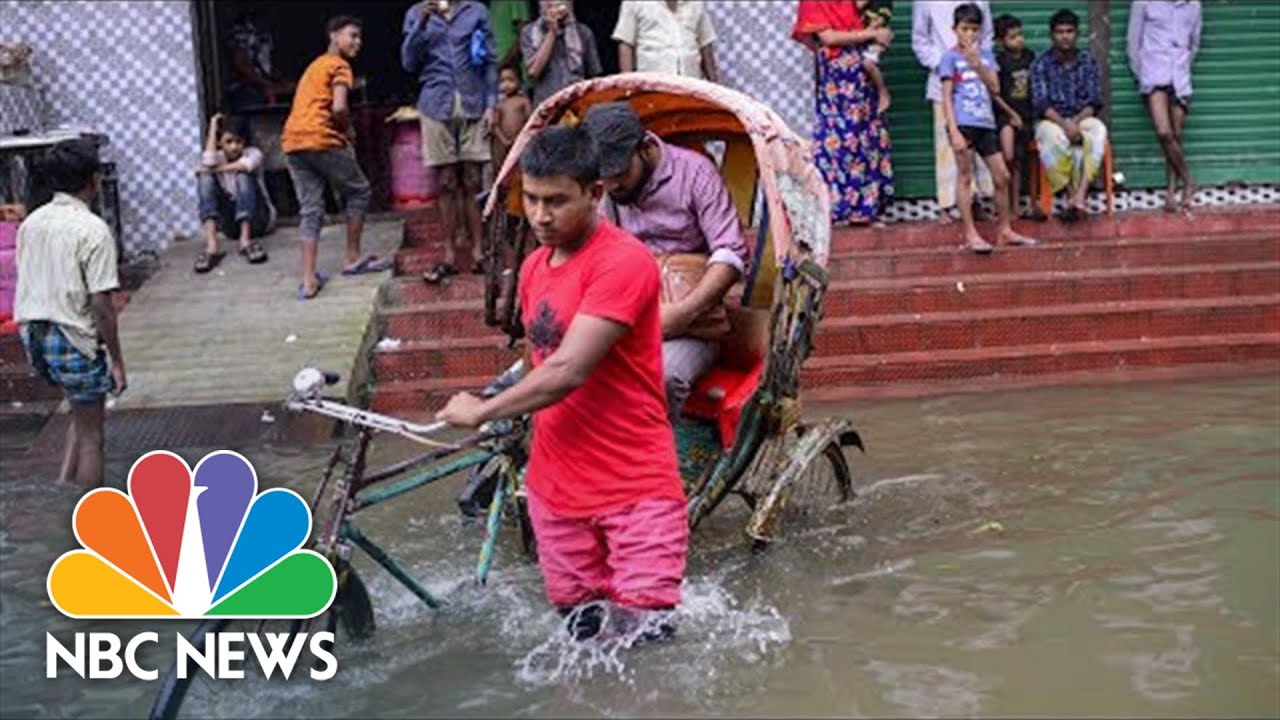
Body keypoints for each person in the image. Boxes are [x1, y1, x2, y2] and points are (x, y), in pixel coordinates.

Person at [436, 125, 687, 643]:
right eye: (530, 198)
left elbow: (568, 369)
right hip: (556, 491)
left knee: (648, 649)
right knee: (581, 638)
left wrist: (484, 412)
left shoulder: (625, 262)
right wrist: (498, 400)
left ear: (596, 193)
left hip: (634, 487)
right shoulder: (532, 268)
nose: (541, 216)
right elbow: (539, 359)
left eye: (556, 201)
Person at [581, 102, 748, 420]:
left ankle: (653, 466)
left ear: (644, 147)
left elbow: (731, 252)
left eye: (620, 173)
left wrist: (681, 314)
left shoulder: (695, 172)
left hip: (693, 323)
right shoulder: (604, 190)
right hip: (625, 317)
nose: (613, 185)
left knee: (663, 376)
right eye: (605, 176)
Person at [14, 139, 126, 489]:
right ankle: (89, 517)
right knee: (94, 436)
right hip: (71, 335)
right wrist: (118, 361)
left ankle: (64, 488)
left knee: (80, 415)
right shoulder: (92, 229)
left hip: (33, 334)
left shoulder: (32, 223)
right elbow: (101, 306)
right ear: (93, 180)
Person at [282, 15, 382, 300]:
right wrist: (348, 130)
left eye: (359, 37)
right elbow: (338, 107)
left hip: (293, 142)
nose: (357, 42)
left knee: (310, 209)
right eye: (352, 35)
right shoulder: (339, 66)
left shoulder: (314, 66)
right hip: (320, 138)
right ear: (333, 36)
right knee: (360, 191)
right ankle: (352, 258)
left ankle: (309, 279)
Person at [402, 0, 499, 283]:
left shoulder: (476, 11)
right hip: (435, 102)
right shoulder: (415, 13)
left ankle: (479, 252)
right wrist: (421, 23)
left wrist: (492, 103)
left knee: (472, 178)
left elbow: (490, 60)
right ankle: (449, 253)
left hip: (473, 101)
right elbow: (408, 62)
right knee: (445, 180)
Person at [938, 4, 1038, 253]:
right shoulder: (949, 58)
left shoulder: (986, 56)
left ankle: (1004, 230)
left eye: (974, 29)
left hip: (985, 123)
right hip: (963, 124)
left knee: (1002, 176)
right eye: (964, 29)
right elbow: (947, 97)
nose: (969, 34)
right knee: (965, 177)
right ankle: (971, 234)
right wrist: (954, 131)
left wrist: (977, 64)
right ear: (954, 30)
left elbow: (994, 88)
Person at [792, 0, 895, 226]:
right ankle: (835, 207)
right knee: (838, 139)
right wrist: (872, 34)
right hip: (838, 78)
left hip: (859, 78)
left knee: (864, 139)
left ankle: (864, 208)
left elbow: (859, 10)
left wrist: (876, 28)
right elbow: (829, 38)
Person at [912, 0, 995, 223]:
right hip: (943, 82)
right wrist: (944, 64)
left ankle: (976, 202)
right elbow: (920, 40)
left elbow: (987, 36)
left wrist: (978, 62)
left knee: (977, 144)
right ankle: (946, 206)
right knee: (947, 147)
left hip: (975, 83)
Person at [1031, 8, 1107, 222]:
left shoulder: (1087, 61)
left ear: (1077, 33)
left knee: (1098, 130)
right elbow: (1040, 103)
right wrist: (1065, 124)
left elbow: (1094, 101)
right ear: (1051, 35)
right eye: (1060, 32)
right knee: (1052, 136)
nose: (1065, 36)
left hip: (1081, 117)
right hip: (1052, 120)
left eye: (1069, 31)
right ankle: (1070, 195)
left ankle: (1081, 194)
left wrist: (1075, 122)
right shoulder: (1041, 64)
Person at [1127, 0, 1201, 214]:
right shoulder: (1143, 3)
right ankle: (1189, 181)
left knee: (1176, 136)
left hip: (1179, 76)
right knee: (1164, 133)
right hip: (1153, 75)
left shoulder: (1193, 5)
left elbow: (1194, 42)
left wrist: (1183, 65)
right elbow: (1133, 42)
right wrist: (1141, 75)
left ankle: (1171, 193)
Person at [194, 113, 276, 274]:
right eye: (228, 142)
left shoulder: (253, 153)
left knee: (242, 175)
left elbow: (243, 166)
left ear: (244, 142)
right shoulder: (217, 157)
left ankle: (246, 242)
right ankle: (212, 247)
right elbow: (209, 161)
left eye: (238, 142)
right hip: (231, 227)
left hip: (259, 220)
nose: (233, 147)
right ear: (220, 143)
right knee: (205, 178)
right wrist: (213, 125)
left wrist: (212, 170)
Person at [994, 13, 1044, 221]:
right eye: (1013, 37)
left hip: (1026, 116)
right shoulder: (999, 62)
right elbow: (994, 93)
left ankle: (1020, 205)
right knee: (1008, 157)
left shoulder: (1030, 57)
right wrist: (1011, 114)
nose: (1019, 40)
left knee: (1021, 161)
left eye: (1020, 35)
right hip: (1006, 116)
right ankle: (1004, 206)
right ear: (1001, 41)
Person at [521, 0, 603, 107]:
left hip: (577, 102)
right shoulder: (529, 32)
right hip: (546, 104)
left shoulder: (583, 32)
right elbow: (533, 72)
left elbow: (594, 75)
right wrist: (552, 32)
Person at [613, 0, 720, 82]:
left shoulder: (695, 3)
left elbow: (705, 45)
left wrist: (714, 85)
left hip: (691, 84)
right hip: (652, 85)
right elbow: (626, 44)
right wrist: (627, 84)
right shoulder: (634, 2)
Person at [225, 8, 295, 111]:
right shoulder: (241, 29)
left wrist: (282, 83)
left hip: (265, 88)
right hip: (245, 92)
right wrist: (269, 85)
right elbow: (241, 65)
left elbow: (266, 65)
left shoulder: (265, 30)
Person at [491, 65, 532, 174]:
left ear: (519, 81)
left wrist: (520, 138)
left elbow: (530, 121)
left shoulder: (523, 101)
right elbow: (494, 125)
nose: (506, 85)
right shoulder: (499, 104)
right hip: (501, 143)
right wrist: (504, 140)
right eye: (502, 81)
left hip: (519, 142)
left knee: (520, 170)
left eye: (511, 80)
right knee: (502, 170)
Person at [857, 0, 894, 114]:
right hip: (860, 38)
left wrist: (867, 32)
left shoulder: (884, 3)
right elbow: (858, 6)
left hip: (876, 39)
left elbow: (882, 19)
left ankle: (882, 91)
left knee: (868, 63)